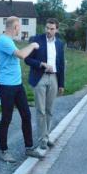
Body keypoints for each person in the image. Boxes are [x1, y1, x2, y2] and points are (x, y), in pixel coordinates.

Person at [0, 16, 45, 163]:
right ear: (15, 27)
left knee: (26, 115)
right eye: (19, 27)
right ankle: (4, 151)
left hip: (17, 85)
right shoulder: (3, 41)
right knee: (6, 118)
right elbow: (22, 55)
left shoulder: (9, 41)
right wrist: (33, 45)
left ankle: (29, 148)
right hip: (6, 86)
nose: (19, 30)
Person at [24, 18, 66, 150]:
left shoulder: (59, 43)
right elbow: (27, 59)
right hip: (39, 77)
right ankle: (42, 139)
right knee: (41, 110)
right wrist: (41, 64)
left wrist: (61, 84)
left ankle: (46, 137)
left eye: (52, 29)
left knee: (50, 110)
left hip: (54, 78)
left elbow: (61, 64)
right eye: (47, 28)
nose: (48, 31)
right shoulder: (36, 40)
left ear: (56, 30)